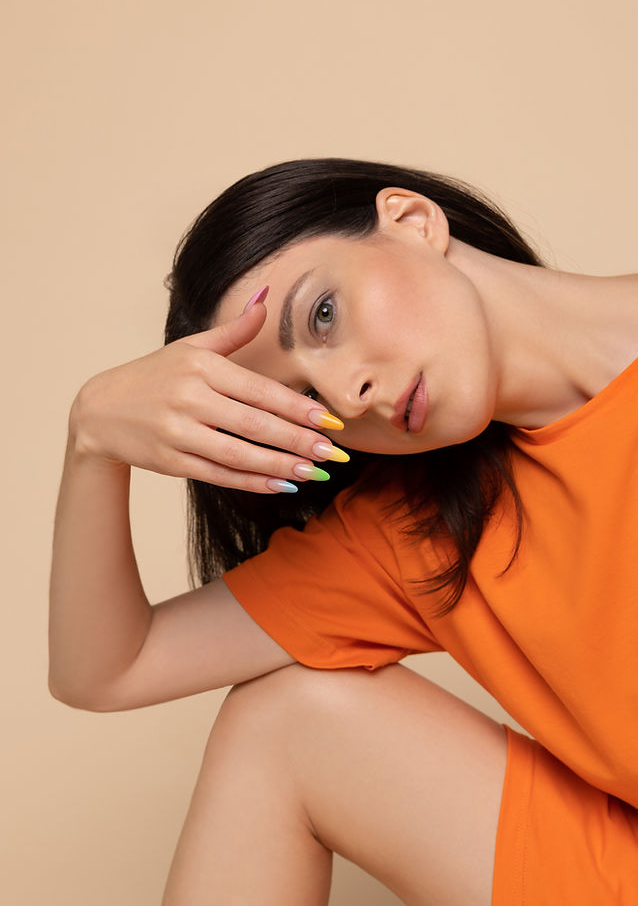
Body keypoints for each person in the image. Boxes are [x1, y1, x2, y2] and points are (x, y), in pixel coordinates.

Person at [48, 158, 638, 905]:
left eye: (322, 315)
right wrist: (90, 443)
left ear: (413, 221)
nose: (344, 393)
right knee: (282, 721)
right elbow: (107, 668)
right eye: (299, 402)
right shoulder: (419, 534)